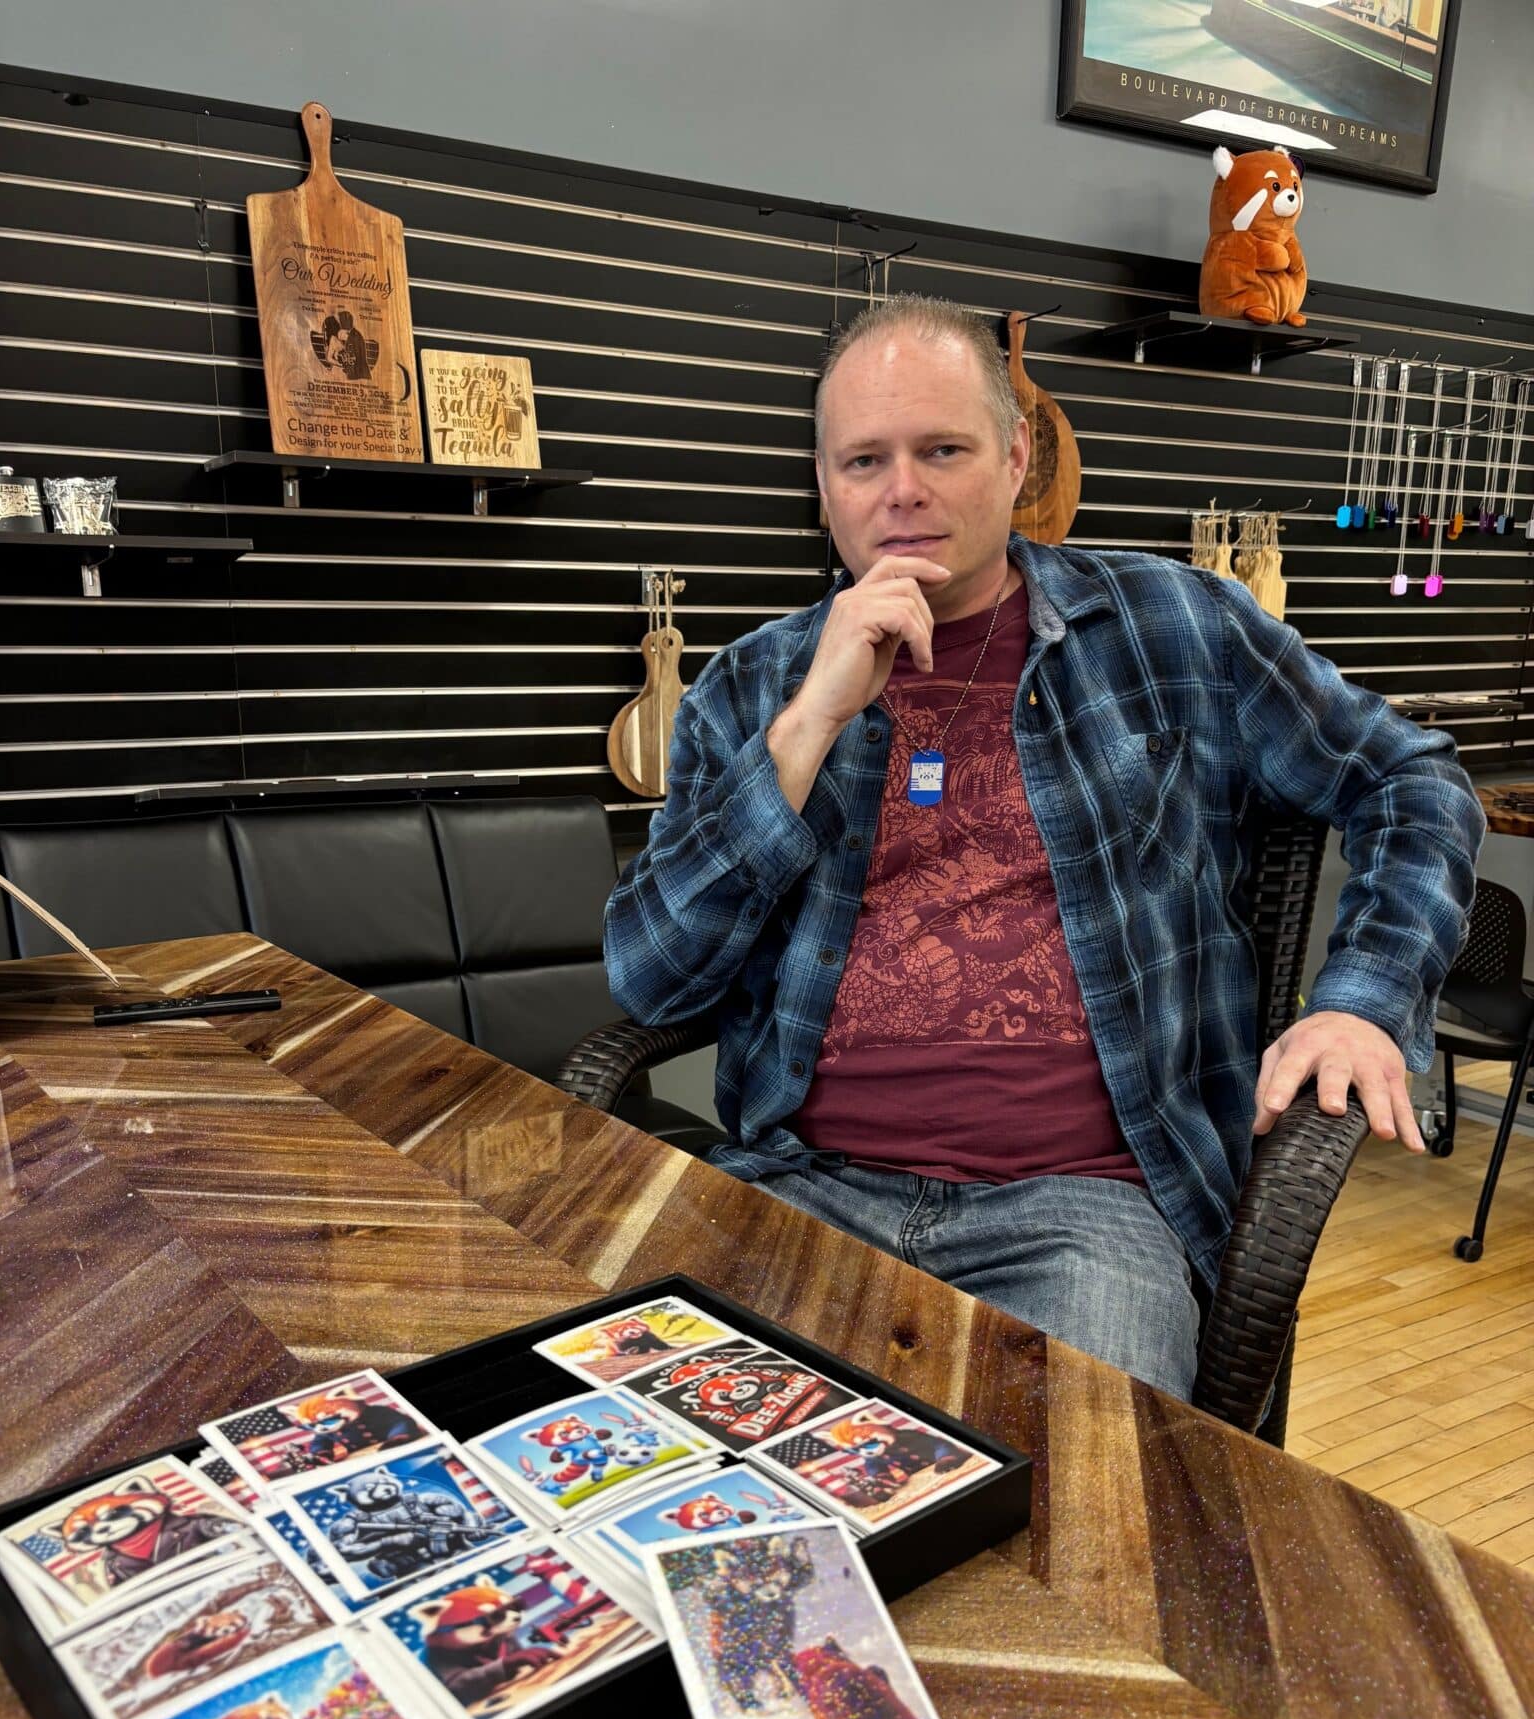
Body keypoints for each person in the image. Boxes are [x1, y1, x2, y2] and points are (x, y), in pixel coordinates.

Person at [603, 295, 1483, 1399]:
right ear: (824, 485)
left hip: (1085, 1209)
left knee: (1089, 1485)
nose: (902, 490)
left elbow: (1411, 778)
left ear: (1017, 457)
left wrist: (1362, 999)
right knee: (647, 1439)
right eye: (864, 460)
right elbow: (650, 974)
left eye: (943, 449)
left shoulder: (1177, 627)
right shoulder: (751, 685)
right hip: (805, 1183)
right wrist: (808, 726)